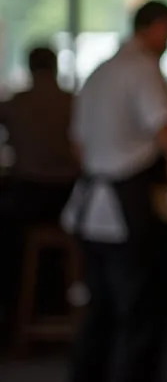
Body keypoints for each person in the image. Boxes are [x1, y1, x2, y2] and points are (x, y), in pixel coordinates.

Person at [62, 0, 167, 382]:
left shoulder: (101, 71)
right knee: (138, 318)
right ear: (156, 27)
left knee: (101, 311)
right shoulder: (142, 69)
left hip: (89, 206)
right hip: (125, 206)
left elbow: (78, 145)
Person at [0, 46, 79, 330]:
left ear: (30, 69)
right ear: (56, 67)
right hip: (71, 200)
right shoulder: (73, 102)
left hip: (28, 199)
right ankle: (54, 299)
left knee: (11, 239)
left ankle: (14, 312)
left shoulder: (15, 103)